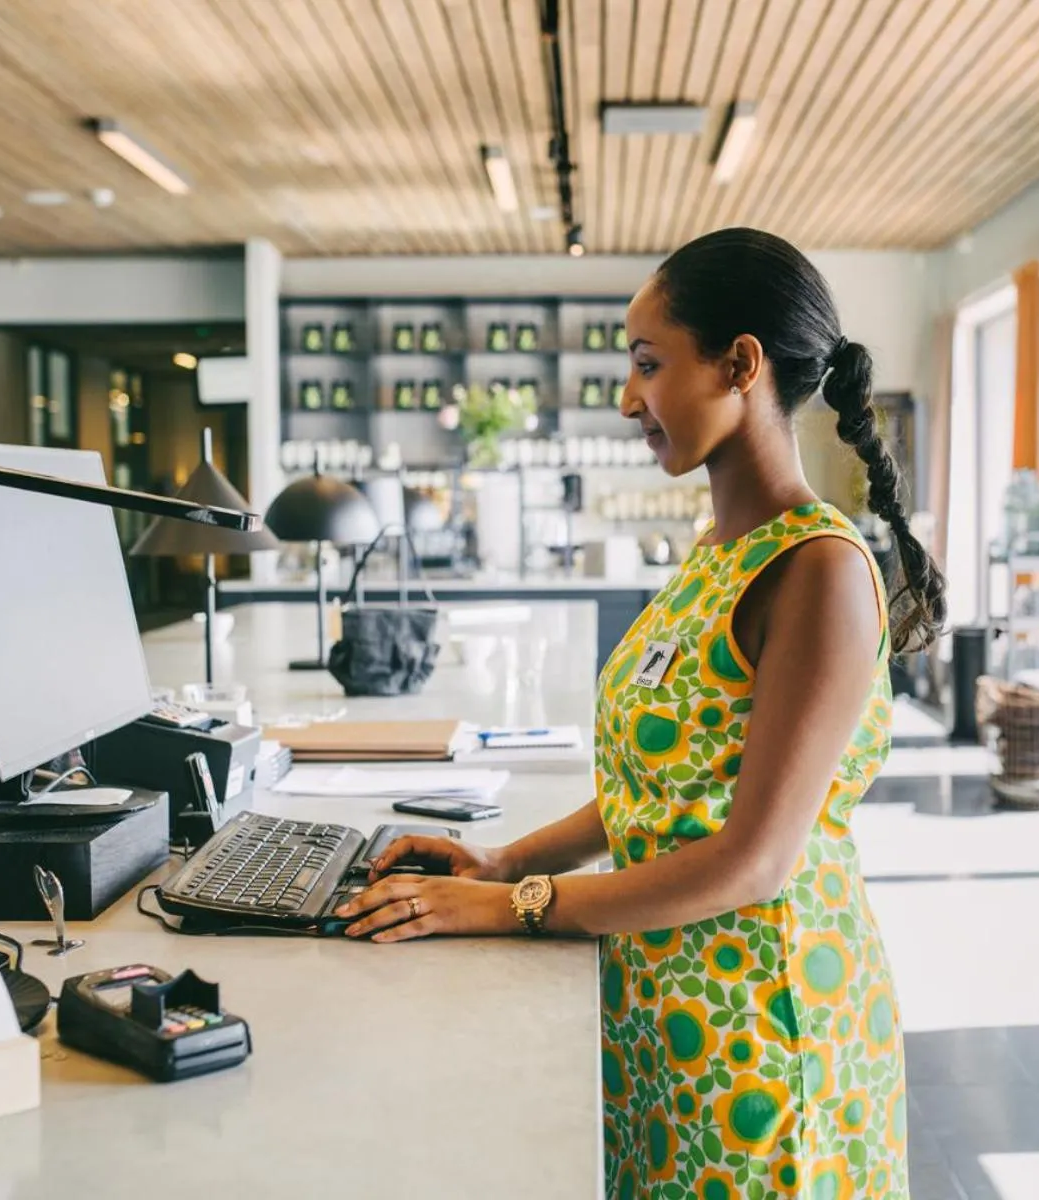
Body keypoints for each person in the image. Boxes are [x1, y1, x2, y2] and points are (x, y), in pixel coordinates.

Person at [334, 228, 946, 1199]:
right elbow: (657, 794)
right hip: (662, 998)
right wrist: (508, 859)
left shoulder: (817, 570)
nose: (627, 400)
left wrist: (513, 907)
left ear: (739, 363)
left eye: (648, 364)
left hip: (764, 1022)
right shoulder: (717, 551)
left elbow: (756, 857)